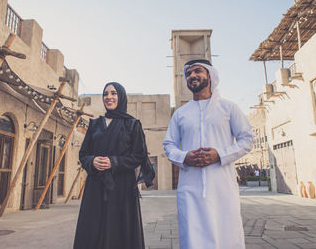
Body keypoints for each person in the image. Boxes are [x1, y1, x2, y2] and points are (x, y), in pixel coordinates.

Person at [163, 59, 253, 249]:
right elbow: (169, 144)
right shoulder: (181, 113)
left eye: (197, 71)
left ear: (210, 76)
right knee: (192, 238)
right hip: (190, 187)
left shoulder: (229, 108)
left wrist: (220, 154)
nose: (192, 76)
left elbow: (247, 140)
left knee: (227, 236)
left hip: (222, 186)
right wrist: (184, 157)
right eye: (188, 74)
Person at [74, 82, 155, 249]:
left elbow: (139, 156)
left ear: (121, 96)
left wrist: (114, 162)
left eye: (113, 93)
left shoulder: (132, 124)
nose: (109, 97)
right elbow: (83, 154)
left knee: (120, 231)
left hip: (122, 187)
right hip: (95, 185)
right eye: (105, 94)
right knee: (93, 229)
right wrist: (92, 160)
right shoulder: (95, 124)